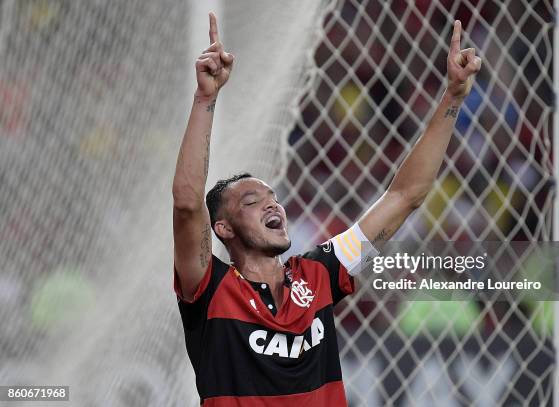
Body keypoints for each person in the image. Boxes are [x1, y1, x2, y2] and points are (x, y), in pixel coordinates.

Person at [171, 12, 481, 407]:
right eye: (251, 201)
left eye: (273, 198)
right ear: (223, 228)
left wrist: (452, 97)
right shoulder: (210, 288)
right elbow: (186, 203)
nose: (272, 204)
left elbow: (405, 196)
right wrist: (205, 99)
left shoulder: (318, 274)